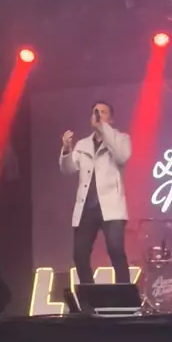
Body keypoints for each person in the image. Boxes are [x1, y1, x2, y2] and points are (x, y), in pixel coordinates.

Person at [60, 101, 131, 284]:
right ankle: (89, 295)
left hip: (111, 206)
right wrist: (67, 150)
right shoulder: (83, 144)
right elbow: (68, 169)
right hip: (86, 207)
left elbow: (122, 156)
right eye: (95, 112)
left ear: (111, 119)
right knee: (80, 254)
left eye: (103, 112)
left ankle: (124, 294)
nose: (98, 115)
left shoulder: (121, 139)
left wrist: (104, 129)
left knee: (115, 250)